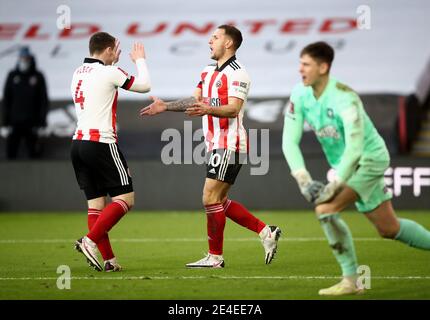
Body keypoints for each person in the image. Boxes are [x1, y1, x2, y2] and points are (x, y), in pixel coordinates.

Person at [282, 41, 430, 295]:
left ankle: (352, 281)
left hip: (368, 160)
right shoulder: (300, 94)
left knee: (325, 209)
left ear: (323, 67)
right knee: (389, 228)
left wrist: (337, 183)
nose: (300, 69)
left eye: (305, 64)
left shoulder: (345, 97)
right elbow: (289, 141)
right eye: (300, 63)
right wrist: (303, 178)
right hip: (347, 166)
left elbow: (355, 147)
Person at [140, 25, 281, 268]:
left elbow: (234, 108)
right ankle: (265, 232)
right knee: (219, 199)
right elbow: (194, 100)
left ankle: (215, 257)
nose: (209, 41)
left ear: (228, 43)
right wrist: (166, 106)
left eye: (215, 37)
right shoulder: (207, 71)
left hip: (230, 142)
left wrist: (208, 109)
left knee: (209, 197)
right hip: (215, 143)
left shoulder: (238, 74)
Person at [71, 32, 151, 271]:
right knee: (125, 199)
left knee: (96, 206)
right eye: (115, 50)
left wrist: (111, 65)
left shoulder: (77, 72)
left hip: (77, 144)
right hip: (101, 143)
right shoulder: (110, 72)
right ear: (107, 50)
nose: (117, 54)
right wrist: (139, 60)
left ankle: (109, 261)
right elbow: (145, 85)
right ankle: (89, 241)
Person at [2, 46, 49, 159]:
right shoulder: (12, 76)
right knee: (11, 153)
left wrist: (42, 122)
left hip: (32, 123)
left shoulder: (38, 76)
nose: (24, 61)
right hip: (14, 122)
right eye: (22, 58)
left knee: (34, 154)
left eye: (26, 58)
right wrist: (5, 122)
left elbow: (43, 100)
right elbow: (6, 100)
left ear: (30, 59)